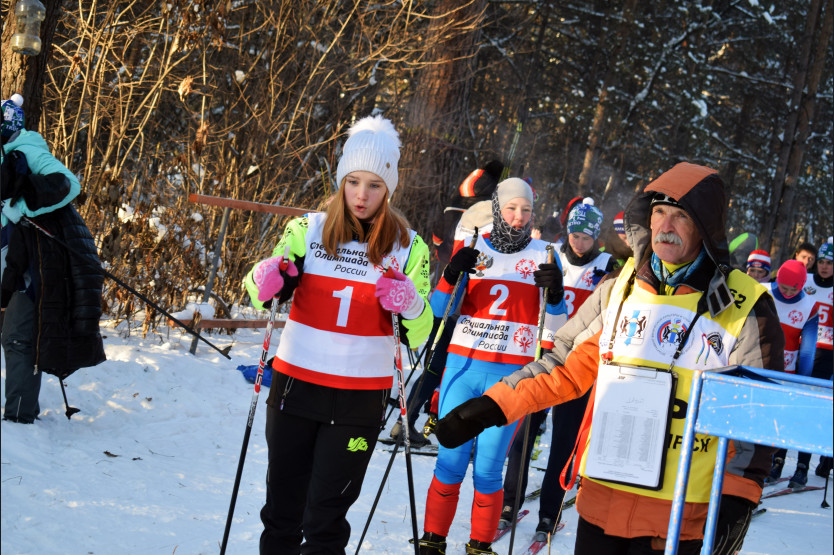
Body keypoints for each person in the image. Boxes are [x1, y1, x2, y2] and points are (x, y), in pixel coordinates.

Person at [435, 162, 785, 555]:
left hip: (683, 519)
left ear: (706, 224)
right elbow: (562, 364)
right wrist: (490, 407)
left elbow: (756, 418)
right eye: (658, 213)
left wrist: (735, 505)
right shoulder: (619, 289)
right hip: (602, 505)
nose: (665, 226)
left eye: (681, 216)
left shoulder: (747, 304)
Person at [243, 115, 433, 554]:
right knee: (281, 511)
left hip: (358, 400)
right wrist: (267, 277)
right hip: (295, 388)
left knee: (326, 520)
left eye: (374, 185)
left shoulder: (410, 247)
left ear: (389, 190)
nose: (361, 195)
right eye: (353, 182)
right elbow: (259, 291)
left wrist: (409, 302)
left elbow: (419, 333)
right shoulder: (306, 230)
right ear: (340, 181)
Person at [416, 178, 568, 555]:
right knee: (449, 461)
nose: (519, 217)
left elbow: (556, 335)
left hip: (510, 378)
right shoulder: (473, 247)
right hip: (462, 369)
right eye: (512, 208)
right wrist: (452, 274)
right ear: (498, 209)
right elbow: (435, 313)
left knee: (487, 469)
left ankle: (479, 546)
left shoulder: (545, 253)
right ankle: (433, 541)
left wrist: (556, 296)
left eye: (527, 210)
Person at [500, 198, 616, 538]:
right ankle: (510, 503)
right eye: (575, 234)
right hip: (543, 356)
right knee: (524, 436)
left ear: (596, 237)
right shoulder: (551, 255)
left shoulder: (609, 266)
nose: (579, 242)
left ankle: (549, 513)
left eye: (586, 237)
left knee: (564, 443)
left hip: (579, 366)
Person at [1, 94, 106, 423]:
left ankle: (19, 417)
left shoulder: (27, 148)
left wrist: (22, 207)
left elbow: (70, 185)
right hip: (13, 259)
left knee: (18, 336)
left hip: (36, 264)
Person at [794, 238, 833, 481]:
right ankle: (777, 460)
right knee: (795, 406)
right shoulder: (805, 281)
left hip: (827, 355)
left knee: (814, 410)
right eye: (821, 261)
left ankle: (806, 465)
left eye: (830, 263)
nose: (825, 266)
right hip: (802, 352)